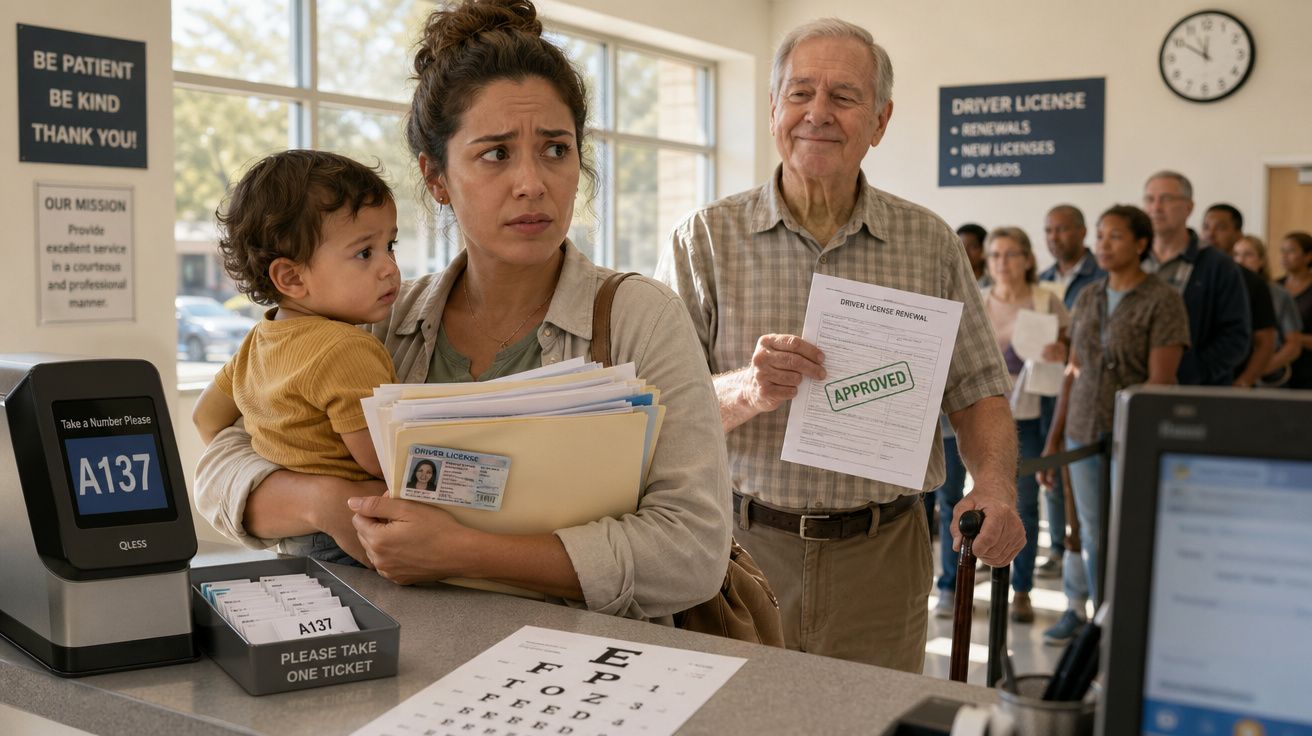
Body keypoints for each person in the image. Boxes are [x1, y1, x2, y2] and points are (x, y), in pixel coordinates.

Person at [195, 0, 731, 622]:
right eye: (496, 153)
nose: (532, 182)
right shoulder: (379, 318)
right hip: (402, 669)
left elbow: (691, 551)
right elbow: (220, 464)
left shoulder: (640, 315)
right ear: (436, 177)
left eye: (556, 149)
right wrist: (326, 503)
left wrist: (467, 552)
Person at [657, 18, 1024, 672]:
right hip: (734, 548)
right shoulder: (703, 241)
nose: (816, 114)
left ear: (879, 122)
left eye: (843, 97)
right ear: (773, 109)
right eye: (799, 93)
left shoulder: (928, 242)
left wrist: (995, 483)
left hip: (881, 560)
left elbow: (978, 390)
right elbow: (656, 409)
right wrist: (749, 389)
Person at [191, 150, 401, 566]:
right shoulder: (348, 349)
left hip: (292, 540)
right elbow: (383, 462)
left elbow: (205, 419)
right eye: (365, 253)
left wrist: (283, 456)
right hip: (352, 537)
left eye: (389, 245)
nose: (390, 268)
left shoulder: (259, 341)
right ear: (291, 277)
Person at [1040, 205, 1189, 645]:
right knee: (1084, 527)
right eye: (1101, 236)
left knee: (1127, 527)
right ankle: (1079, 609)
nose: (1103, 245)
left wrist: (1135, 435)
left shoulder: (1163, 299)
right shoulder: (1088, 296)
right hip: (1082, 432)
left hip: (1131, 437)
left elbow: (1160, 383)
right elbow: (1073, 371)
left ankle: (1123, 617)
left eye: (1115, 237)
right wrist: (1053, 441)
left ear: (1141, 244)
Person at [980, 226, 1070, 624]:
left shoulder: (1046, 300)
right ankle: (971, 573)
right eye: (996, 255)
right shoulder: (979, 302)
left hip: (1031, 415)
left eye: (1012, 254)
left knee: (1027, 504)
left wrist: (1061, 350)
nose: (1003, 263)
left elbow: (1071, 350)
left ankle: (1022, 589)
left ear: (1028, 259)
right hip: (984, 414)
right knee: (977, 498)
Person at [1036, 204, 1104, 581]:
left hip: (1083, 395)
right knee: (1049, 474)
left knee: (1075, 483)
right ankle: (1059, 547)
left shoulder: (1101, 278)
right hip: (1044, 388)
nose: (1054, 237)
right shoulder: (1043, 280)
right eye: (1048, 230)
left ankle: (1076, 550)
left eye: (1062, 230)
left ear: (1082, 232)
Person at [1141, 171, 1250, 385]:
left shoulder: (1217, 265)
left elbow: (1236, 337)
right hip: (1134, 386)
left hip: (1193, 391)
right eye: (1149, 199)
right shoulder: (1133, 260)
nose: (1156, 208)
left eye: (1166, 199)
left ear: (1189, 207)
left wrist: (1190, 373)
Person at [1200, 204, 1277, 388]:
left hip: (1231, 382)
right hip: (1190, 379)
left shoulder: (1252, 282)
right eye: (1205, 227)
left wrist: (1244, 381)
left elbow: (1265, 342)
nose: (1211, 234)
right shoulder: (1191, 274)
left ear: (1238, 235)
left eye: (1220, 227)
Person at [1232, 235, 1303, 386]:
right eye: (1236, 254)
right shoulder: (1225, 292)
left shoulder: (1279, 294)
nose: (1240, 260)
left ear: (1262, 260)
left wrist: (1255, 372)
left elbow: (1293, 345)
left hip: (1266, 376)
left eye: (1248, 255)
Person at [1277, 232, 1312, 389]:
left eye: (1290, 251)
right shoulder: (1274, 286)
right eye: (1282, 251)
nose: (1284, 256)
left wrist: (1296, 339)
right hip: (1278, 370)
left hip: (1307, 372)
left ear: (1308, 256)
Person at [959, 223, 991, 288]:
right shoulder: (947, 283)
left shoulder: (995, 284)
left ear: (985, 249)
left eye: (973, 246)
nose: (965, 252)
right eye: (960, 246)